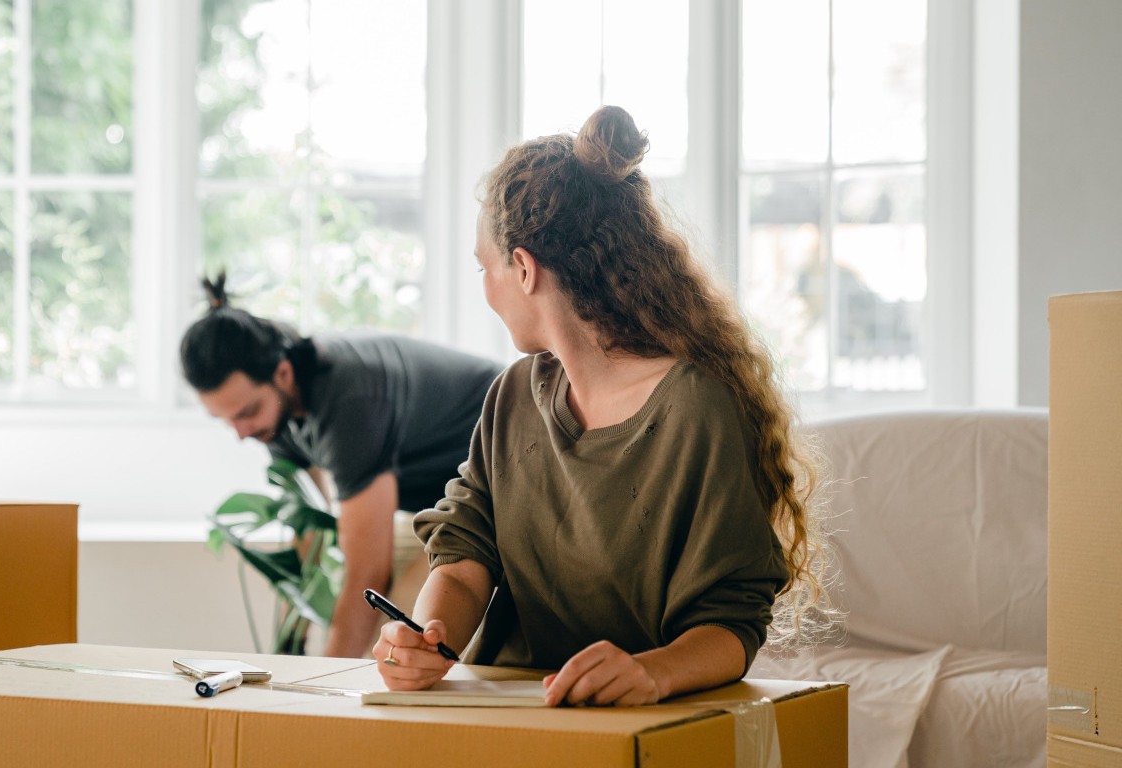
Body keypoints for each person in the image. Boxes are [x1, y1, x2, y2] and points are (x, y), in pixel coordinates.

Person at [374, 106, 827, 706]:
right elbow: (463, 556)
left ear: (524, 269)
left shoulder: (698, 408)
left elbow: (731, 624)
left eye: (485, 267)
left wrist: (651, 673)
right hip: (506, 719)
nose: (485, 287)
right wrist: (426, 639)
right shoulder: (512, 395)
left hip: (636, 722)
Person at [180, 276, 505, 658]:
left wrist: (318, 684)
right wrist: (289, 652)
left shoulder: (349, 400)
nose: (241, 433)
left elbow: (368, 572)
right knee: (374, 631)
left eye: (247, 413)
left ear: (283, 374)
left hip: (501, 482)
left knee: (403, 634)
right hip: (440, 501)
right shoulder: (275, 415)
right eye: (227, 420)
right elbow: (311, 530)